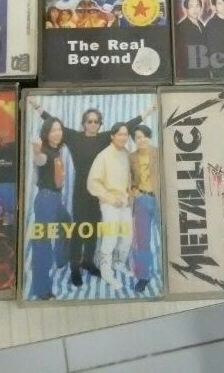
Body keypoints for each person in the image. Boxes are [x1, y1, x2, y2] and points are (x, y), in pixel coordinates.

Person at [28, 97, 155, 287]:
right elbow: (52, 121)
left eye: (96, 121)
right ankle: (75, 267)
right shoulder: (74, 137)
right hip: (80, 189)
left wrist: (147, 112)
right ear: (83, 123)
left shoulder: (104, 138)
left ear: (100, 124)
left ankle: (88, 262)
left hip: (98, 191)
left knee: (94, 227)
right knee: (79, 228)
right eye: (90, 121)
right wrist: (37, 107)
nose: (93, 124)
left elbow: (127, 126)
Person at [29, 117, 73, 300]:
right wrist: (36, 151)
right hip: (46, 200)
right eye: (53, 130)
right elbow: (40, 160)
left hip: (55, 199)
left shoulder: (57, 150)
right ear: (46, 133)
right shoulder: (46, 151)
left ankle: (61, 259)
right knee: (42, 242)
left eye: (59, 129)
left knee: (66, 222)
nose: (57, 133)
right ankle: (41, 289)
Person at [87, 122, 133, 290]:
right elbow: (93, 182)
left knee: (127, 237)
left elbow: (128, 177)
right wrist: (111, 199)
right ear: (112, 136)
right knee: (110, 239)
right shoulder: (104, 156)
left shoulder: (126, 153)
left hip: (125, 203)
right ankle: (106, 273)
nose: (123, 137)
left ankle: (118, 263)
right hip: (109, 204)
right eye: (119, 134)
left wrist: (129, 195)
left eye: (125, 134)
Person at [129, 125, 159, 293]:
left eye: (144, 136)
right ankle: (143, 276)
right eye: (138, 137)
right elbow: (128, 178)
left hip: (161, 200)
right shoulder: (131, 157)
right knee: (142, 241)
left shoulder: (159, 153)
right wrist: (135, 192)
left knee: (169, 236)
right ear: (134, 140)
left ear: (149, 137)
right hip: (142, 200)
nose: (141, 139)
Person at [176, 0, 208, 79]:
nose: (195, 9)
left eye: (197, 6)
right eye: (191, 6)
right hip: (189, 71)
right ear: (186, 9)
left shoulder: (201, 24)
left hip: (203, 67)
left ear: (201, 8)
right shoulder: (181, 27)